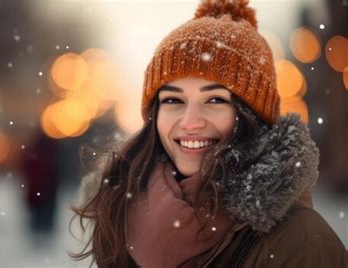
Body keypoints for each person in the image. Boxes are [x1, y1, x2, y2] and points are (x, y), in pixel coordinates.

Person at [70, 0, 347, 267]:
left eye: (215, 100)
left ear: (252, 116)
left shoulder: (301, 242)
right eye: (173, 100)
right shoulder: (123, 213)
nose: (190, 122)